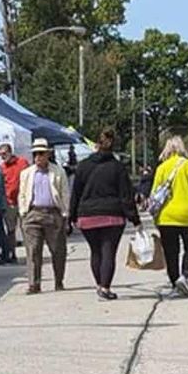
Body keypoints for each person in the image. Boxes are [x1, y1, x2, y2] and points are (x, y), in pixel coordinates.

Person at [70, 127, 140, 301]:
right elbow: (126, 196)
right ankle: (105, 286)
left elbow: (76, 193)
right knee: (108, 251)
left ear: (96, 145)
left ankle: (99, 284)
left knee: (95, 252)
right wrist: (134, 218)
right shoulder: (117, 167)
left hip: (87, 215)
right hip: (112, 215)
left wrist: (72, 216)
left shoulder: (83, 166)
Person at [151, 135, 188, 297]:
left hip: (167, 216)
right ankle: (184, 276)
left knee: (171, 252)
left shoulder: (162, 168)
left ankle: (174, 283)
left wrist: (155, 217)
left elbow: (154, 194)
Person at [18, 137, 70, 294]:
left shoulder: (58, 171)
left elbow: (64, 193)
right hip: (33, 213)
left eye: (41, 153)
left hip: (53, 213)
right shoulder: (26, 173)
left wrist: (65, 214)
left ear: (48, 154)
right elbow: (22, 194)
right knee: (33, 250)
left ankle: (59, 281)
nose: (38, 157)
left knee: (58, 250)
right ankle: (34, 284)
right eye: (35, 154)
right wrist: (23, 213)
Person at [0, 143, 29, 264]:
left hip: (23, 201)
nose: (3, 157)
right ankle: (12, 254)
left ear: (10, 152)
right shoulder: (1, 167)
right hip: (9, 202)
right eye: (0, 155)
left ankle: (30, 253)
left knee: (26, 228)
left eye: (4, 154)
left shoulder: (22, 163)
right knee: (11, 230)